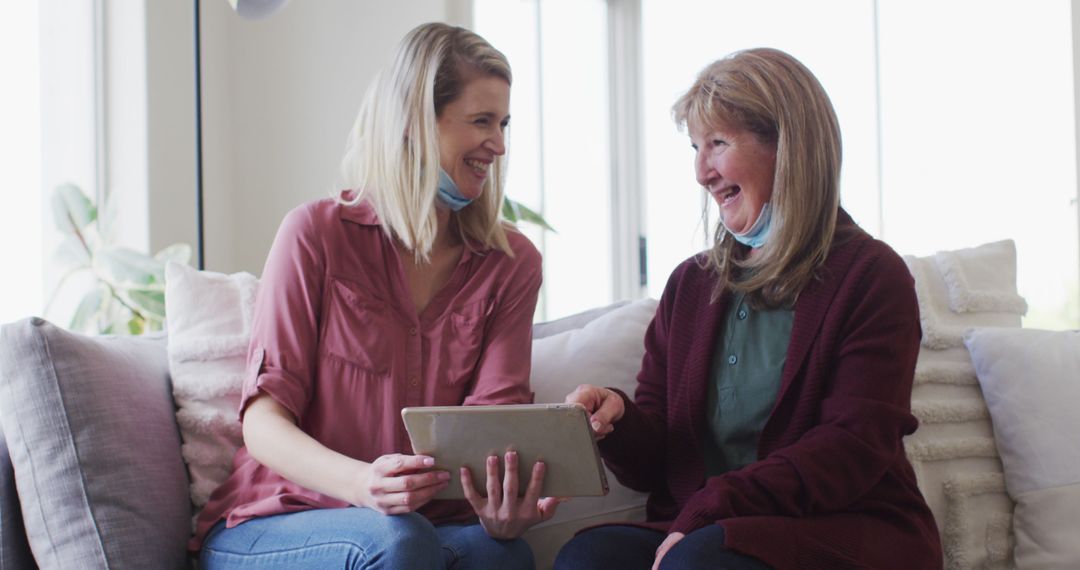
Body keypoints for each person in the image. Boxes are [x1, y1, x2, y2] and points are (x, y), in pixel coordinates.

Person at [555, 48, 943, 570]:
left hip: (836, 528)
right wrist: (619, 420)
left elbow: (850, 450)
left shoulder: (873, 276)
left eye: (717, 143)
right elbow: (659, 466)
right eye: (695, 147)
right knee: (589, 557)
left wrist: (716, 504)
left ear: (788, 146)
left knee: (700, 561)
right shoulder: (691, 285)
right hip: (705, 531)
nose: (700, 172)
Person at [192, 22, 560, 569]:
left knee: (500, 556)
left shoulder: (510, 266)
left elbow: (490, 432)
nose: (499, 144)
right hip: (275, 521)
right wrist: (364, 484)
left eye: (503, 123)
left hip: (421, 529)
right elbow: (263, 423)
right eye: (481, 121)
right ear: (413, 123)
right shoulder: (315, 235)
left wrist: (499, 507)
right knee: (398, 541)